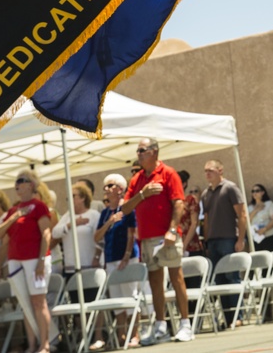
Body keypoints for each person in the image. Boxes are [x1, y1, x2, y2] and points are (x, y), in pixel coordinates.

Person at [122, 137, 193, 344]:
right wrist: (142, 195)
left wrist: (172, 230)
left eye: (142, 150)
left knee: (176, 277)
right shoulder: (137, 180)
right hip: (147, 239)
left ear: (154, 152)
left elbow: (178, 203)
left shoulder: (168, 173)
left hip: (167, 237)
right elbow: (125, 208)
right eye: (138, 151)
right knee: (155, 282)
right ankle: (160, 326)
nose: (139, 154)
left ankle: (185, 324)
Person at [0, 169, 56, 353]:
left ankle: (45, 344)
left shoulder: (39, 206)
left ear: (31, 185)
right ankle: (31, 345)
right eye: (16, 181)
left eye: (22, 180)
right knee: (25, 304)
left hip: (35, 260)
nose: (17, 184)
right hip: (16, 262)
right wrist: (14, 217)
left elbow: (46, 233)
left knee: (38, 302)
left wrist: (41, 261)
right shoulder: (13, 210)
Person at [198, 159, 247, 326]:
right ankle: (227, 319)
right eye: (205, 171)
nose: (207, 173)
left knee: (232, 277)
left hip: (228, 239)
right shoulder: (205, 194)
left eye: (210, 170)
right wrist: (205, 241)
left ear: (220, 170)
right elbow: (205, 219)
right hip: (212, 242)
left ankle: (238, 316)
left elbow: (242, 215)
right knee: (219, 280)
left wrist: (240, 239)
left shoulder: (230, 188)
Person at [92, 174, 138, 350]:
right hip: (110, 258)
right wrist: (109, 222)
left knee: (130, 296)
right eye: (105, 186)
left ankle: (135, 334)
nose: (106, 189)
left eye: (110, 185)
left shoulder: (127, 208)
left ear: (120, 189)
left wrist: (126, 256)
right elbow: (96, 237)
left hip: (127, 258)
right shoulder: (105, 213)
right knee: (118, 300)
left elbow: (131, 233)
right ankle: (121, 335)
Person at [51, 182, 101, 293]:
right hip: (71, 268)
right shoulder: (67, 216)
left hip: (89, 265)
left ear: (83, 198)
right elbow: (55, 233)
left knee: (91, 298)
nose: (70, 200)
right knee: (75, 299)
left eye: (73, 196)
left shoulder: (94, 215)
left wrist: (97, 257)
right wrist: (72, 224)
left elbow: (100, 238)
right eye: (68, 197)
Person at [177, 171, 204, 258]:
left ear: (184, 184)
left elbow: (194, 223)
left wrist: (184, 246)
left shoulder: (190, 200)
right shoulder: (172, 202)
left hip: (190, 246)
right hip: (176, 245)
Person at [247, 184, 273, 252]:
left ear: (263, 192)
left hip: (269, 236)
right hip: (256, 238)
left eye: (257, 191)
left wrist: (264, 229)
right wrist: (255, 210)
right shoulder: (249, 208)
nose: (255, 193)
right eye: (253, 191)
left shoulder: (269, 204)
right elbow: (247, 222)